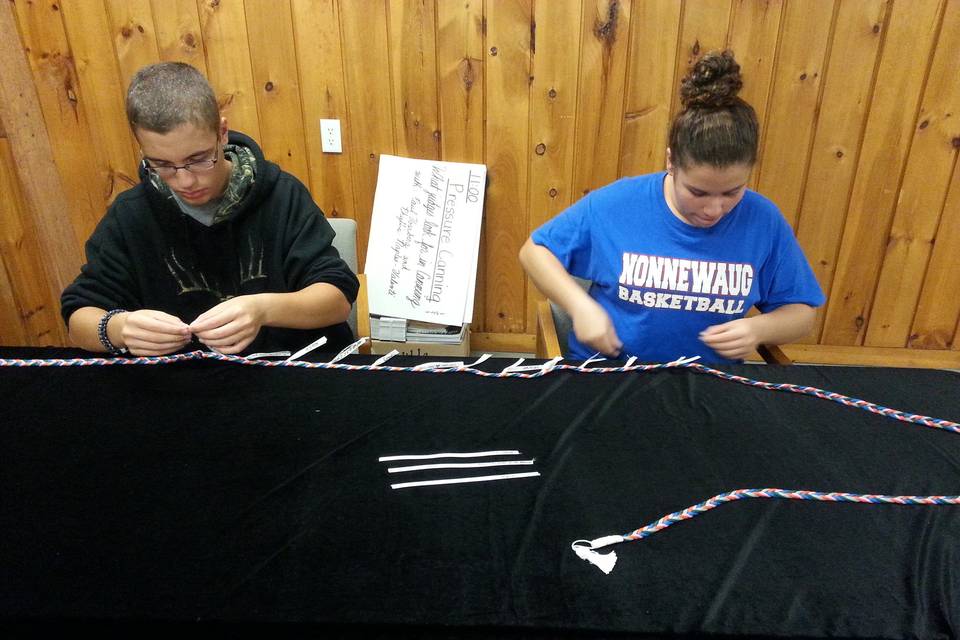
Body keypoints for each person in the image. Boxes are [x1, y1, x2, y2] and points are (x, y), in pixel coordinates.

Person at [519, 50, 824, 364]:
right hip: (610, 372)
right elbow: (533, 252)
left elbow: (801, 313)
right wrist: (580, 307)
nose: (714, 209)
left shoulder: (764, 221)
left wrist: (759, 328)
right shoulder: (618, 204)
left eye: (732, 192)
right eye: (698, 192)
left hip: (708, 381)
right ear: (671, 163)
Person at [61, 62, 358, 357]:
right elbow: (79, 316)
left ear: (222, 133)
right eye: (163, 165)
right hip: (183, 382)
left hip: (288, 372)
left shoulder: (281, 194)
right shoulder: (132, 215)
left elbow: (337, 296)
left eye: (199, 159)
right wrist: (118, 328)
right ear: (143, 152)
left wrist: (263, 309)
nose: (186, 180)